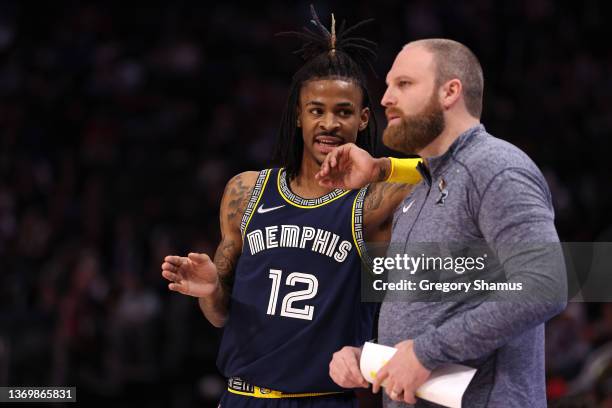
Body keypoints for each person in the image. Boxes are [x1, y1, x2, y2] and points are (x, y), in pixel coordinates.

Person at [160, 8, 422, 408]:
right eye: (317, 110)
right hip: (239, 397)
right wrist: (211, 290)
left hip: (322, 398)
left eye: (344, 112)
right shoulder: (246, 191)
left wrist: (384, 166)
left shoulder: (374, 199)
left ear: (364, 119)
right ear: (299, 116)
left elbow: (458, 166)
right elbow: (220, 316)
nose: (330, 124)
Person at [319, 39, 567, 407]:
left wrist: (425, 352)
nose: (385, 98)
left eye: (403, 84)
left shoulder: (495, 168)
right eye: (387, 86)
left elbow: (544, 285)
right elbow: (423, 318)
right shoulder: (419, 190)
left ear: (450, 91)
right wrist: (367, 358)